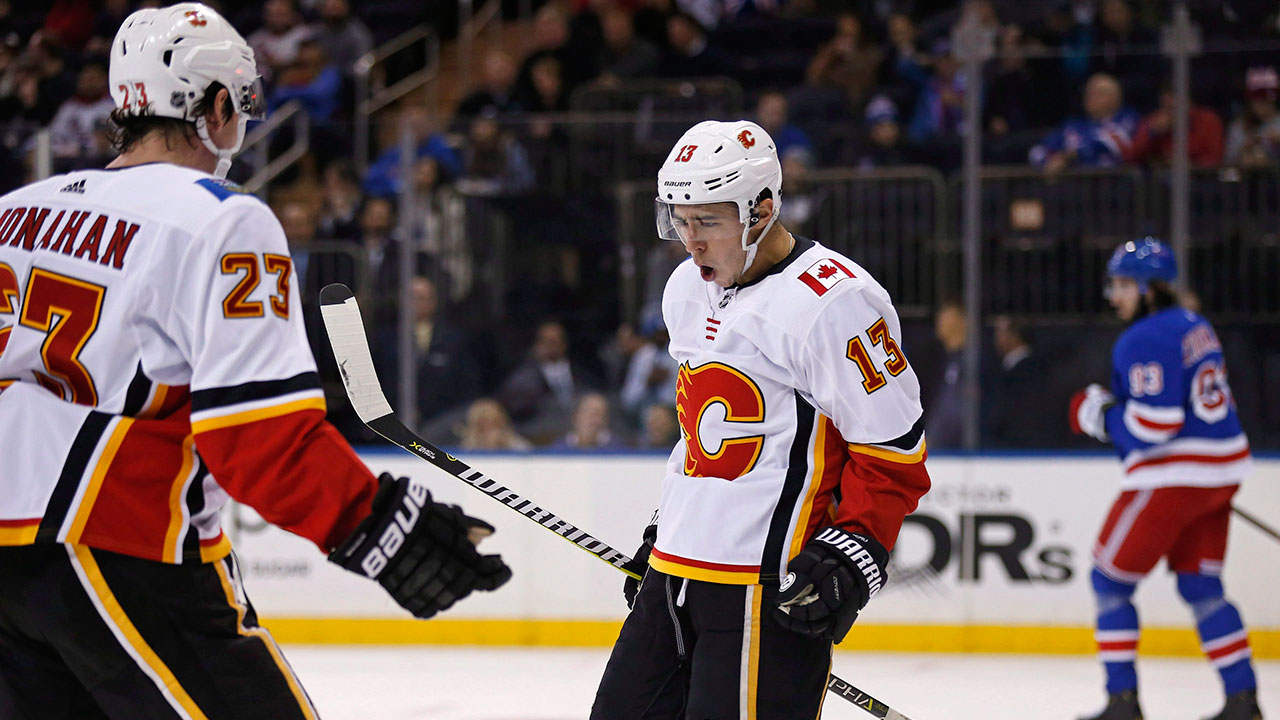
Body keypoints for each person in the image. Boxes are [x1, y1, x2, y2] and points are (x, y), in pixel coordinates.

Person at [0, 6, 510, 718]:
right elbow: (256, 440)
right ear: (214, 106)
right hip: (119, 537)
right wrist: (377, 523)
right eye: (239, 107)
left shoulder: (17, 210)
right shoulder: (221, 217)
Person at [592, 120, 932, 718]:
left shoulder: (835, 302)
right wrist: (663, 527)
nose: (690, 241)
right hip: (674, 576)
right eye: (680, 219)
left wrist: (856, 548)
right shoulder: (685, 290)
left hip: (763, 586)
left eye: (709, 222)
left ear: (762, 209)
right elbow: (699, 434)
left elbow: (894, 452)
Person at [1070, 238, 1262, 720]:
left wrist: (1098, 415)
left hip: (1174, 477)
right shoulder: (1196, 324)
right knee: (1202, 588)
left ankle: (1122, 702)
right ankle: (1243, 701)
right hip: (1219, 475)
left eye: (1122, 284)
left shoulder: (1143, 337)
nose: (1114, 295)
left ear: (1150, 288)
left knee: (1108, 582)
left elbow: (1152, 427)